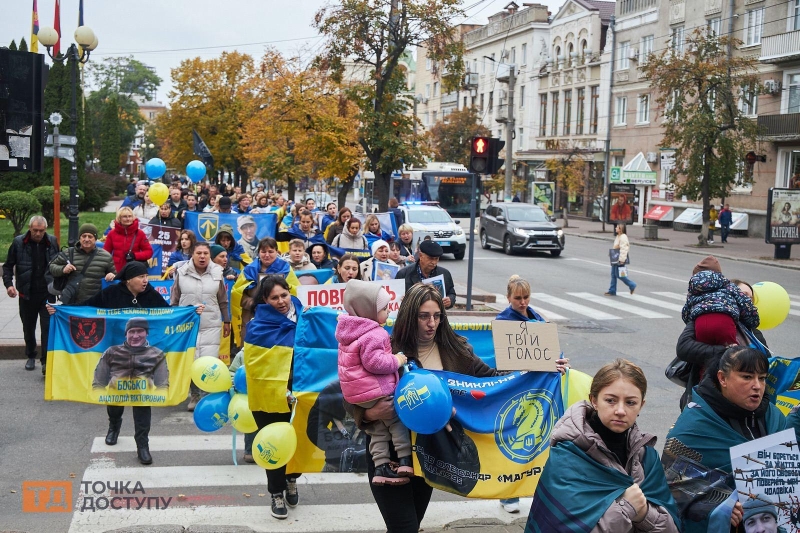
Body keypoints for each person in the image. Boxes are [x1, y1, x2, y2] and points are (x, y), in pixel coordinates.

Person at [526, 359, 679, 532]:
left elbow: (671, 529)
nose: (620, 411)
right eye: (611, 400)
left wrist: (643, 513)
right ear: (594, 400)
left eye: (630, 402)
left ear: (641, 406)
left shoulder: (647, 457)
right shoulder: (568, 456)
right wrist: (627, 508)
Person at [664, 346, 788, 533]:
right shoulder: (692, 428)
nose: (757, 385)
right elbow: (673, 493)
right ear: (722, 378)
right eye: (747, 377)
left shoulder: (775, 417)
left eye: (761, 378)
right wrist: (720, 508)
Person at [75, 261, 173, 465]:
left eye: (147, 276)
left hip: (144, 359)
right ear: (129, 280)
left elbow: (170, 315)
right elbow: (86, 308)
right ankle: (114, 426)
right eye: (141, 277)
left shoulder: (151, 295)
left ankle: (143, 445)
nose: (146, 280)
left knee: (143, 401)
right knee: (115, 396)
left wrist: (193, 311)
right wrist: (59, 310)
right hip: (117, 353)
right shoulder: (111, 293)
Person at [336, 280, 410, 485]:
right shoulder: (374, 333)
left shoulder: (348, 333)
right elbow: (375, 362)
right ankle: (404, 459)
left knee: (377, 430)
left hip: (358, 395)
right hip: (376, 390)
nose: (388, 312)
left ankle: (380, 467)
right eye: (384, 308)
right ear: (369, 310)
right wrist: (397, 360)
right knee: (396, 422)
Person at [244, 275, 304, 519]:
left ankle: (292, 479)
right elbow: (255, 367)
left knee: (296, 441)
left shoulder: (305, 316)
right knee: (274, 443)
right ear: (265, 300)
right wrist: (281, 390)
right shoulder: (258, 327)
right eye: (274, 298)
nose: (281, 301)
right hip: (270, 396)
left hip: (299, 390)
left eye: (284, 295)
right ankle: (276, 492)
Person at [496, 275, 547, 514]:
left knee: (534, 441)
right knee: (512, 441)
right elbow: (503, 362)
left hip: (536, 388)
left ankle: (527, 487)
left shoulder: (536, 316)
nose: (523, 302)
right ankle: (508, 495)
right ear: (508, 298)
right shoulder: (504, 321)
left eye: (526, 297)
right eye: (518, 298)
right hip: (516, 389)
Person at [171, 243, 230, 410]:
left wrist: (226, 321)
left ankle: (207, 396)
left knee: (208, 362)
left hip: (211, 325)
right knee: (191, 361)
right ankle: (195, 395)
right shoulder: (181, 273)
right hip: (188, 326)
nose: (202, 256)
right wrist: (174, 321)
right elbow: (174, 300)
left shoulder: (217, 273)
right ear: (192, 254)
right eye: (199, 253)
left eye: (205, 253)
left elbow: (223, 300)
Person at [3, 215, 59, 373]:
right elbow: (8, 266)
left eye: (41, 231)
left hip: (47, 292)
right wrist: (9, 285)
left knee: (47, 327)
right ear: (29, 228)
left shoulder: (52, 241)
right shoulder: (19, 242)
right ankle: (30, 355)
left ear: (45, 229)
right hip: (26, 293)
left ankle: (45, 361)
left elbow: (57, 264)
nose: (38, 234)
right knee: (29, 327)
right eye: (35, 230)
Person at [681, 255, 760, 346]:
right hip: (724, 323)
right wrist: (753, 322)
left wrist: (692, 323)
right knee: (730, 354)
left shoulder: (693, 291)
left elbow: (685, 313)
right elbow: (745, 305)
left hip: (701, 325)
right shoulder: (729, 286)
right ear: (718, 273)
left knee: (706, 356)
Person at [233, 237, 299, 344]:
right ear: (258, 253)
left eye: (271, 251)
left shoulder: (286, 268)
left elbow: (295, 291)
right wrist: (252, 303)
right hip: (253, 317)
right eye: (263, 251)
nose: (267, 255)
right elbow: (237, 293)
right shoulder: (248, 270)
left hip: (280, 318)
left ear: (277, 252)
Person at [92, 317, 169, 391]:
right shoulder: (111, 352)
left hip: (143, 400)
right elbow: (98, 384)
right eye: (131, 331)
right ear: (126, 334)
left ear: (147, 333)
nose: (135, 336)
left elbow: (162, 386)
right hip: (115, 399)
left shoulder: (157, 354)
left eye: (140, 331)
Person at [49, 224, 116, 305]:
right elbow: (52, 267)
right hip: (71, 300)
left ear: (95, 239)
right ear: (79, 238)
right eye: (84, 236)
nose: (86, 239)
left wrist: (111, 275)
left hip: (95, 302)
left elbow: (114, 275)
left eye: (90, 236)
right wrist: (63, 269)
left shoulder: (106, 256)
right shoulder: (68, 253)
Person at [395, 241, 456, 309]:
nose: (434, 262)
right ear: (420, 256)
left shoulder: (444, 273)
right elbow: (395, 297)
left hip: (435, 316)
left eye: (436, 259)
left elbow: (451, 293)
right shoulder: (404, 274)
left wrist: (450, 300)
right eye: (430, 258)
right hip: (411, 315)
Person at [103, 207, 154, 273]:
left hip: (134, 269)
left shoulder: (140, 233)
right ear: (119, 218)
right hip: (116, 269)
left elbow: (149, 252)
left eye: (130, 216)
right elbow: (106, 253)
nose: (128, 219)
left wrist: (135, 255)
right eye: (125, 216)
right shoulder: (112, 233)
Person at [605, 224, 636, 296]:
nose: (615, 228)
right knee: (613, 274)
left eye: (617, 227)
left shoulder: (623, 237)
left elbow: (624, 249)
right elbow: (616, 247)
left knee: (619, 275)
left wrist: (622, 259)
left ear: (620, 229)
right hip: (615, 258)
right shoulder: (618, 236)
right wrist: (611, 253)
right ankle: (612, 290)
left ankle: (632, 285)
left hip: (619, 259)